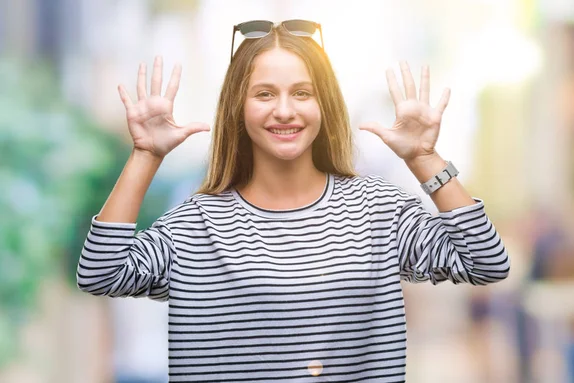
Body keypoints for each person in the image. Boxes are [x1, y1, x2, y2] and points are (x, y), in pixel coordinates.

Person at [77, 19, 510, 383]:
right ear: (238, 108)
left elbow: (486, 262)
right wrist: (146, 155)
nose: (284, 111)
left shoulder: (379, 210)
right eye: (264, 94)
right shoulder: (196, 224)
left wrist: (424, 157)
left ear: (325, 106)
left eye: (302, 93)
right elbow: (100, 273)